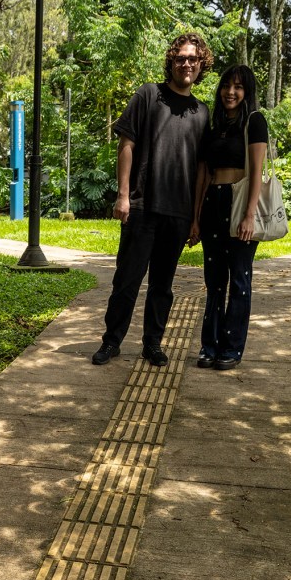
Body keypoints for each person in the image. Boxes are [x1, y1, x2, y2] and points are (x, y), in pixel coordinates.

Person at [92, 32, 213, 367]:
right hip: (142, 206)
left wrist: (196, 217)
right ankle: (111, 341)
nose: (186, 64)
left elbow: (203, 169)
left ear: (201, 64)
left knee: (163, 286)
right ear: (171, 61)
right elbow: (126, 144)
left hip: (178, 213)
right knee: (126, 281)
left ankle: (153, 344)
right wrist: (123, 196)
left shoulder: (202, 112)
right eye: (181, 58)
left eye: (193, 59)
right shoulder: (149, 95)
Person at [193, 64, 268, 370]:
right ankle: (208, 346)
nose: (231, 92)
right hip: (213, 201)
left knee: (239, 278)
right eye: (226, 86)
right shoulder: (214, 127)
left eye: (238, 87)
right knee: (214, 282)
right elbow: (202, 175)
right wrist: (195, 218)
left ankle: (232, 347)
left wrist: (250, 215)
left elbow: (257, 172)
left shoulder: (254, 122)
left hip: (239, 203)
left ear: (246, 92)